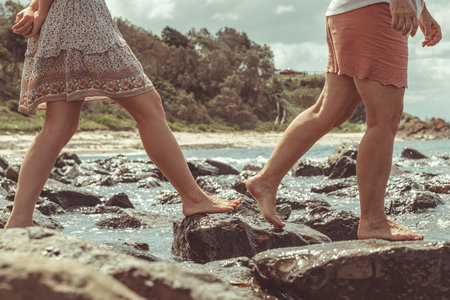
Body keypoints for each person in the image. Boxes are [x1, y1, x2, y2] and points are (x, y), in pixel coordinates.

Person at [5, 0, 241, 229]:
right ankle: (193, 197)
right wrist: (41, 11)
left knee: (59, 125)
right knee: (149, 108)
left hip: (62, 26)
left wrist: (35, 8)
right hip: (84, 25)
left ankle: (19, 219)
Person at [246, 0, 442, 240]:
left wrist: (422, 10)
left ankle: (265, 181)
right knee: (384, 119)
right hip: (375, 11)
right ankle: (373, 221)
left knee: (330, 111)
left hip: (349, 12)